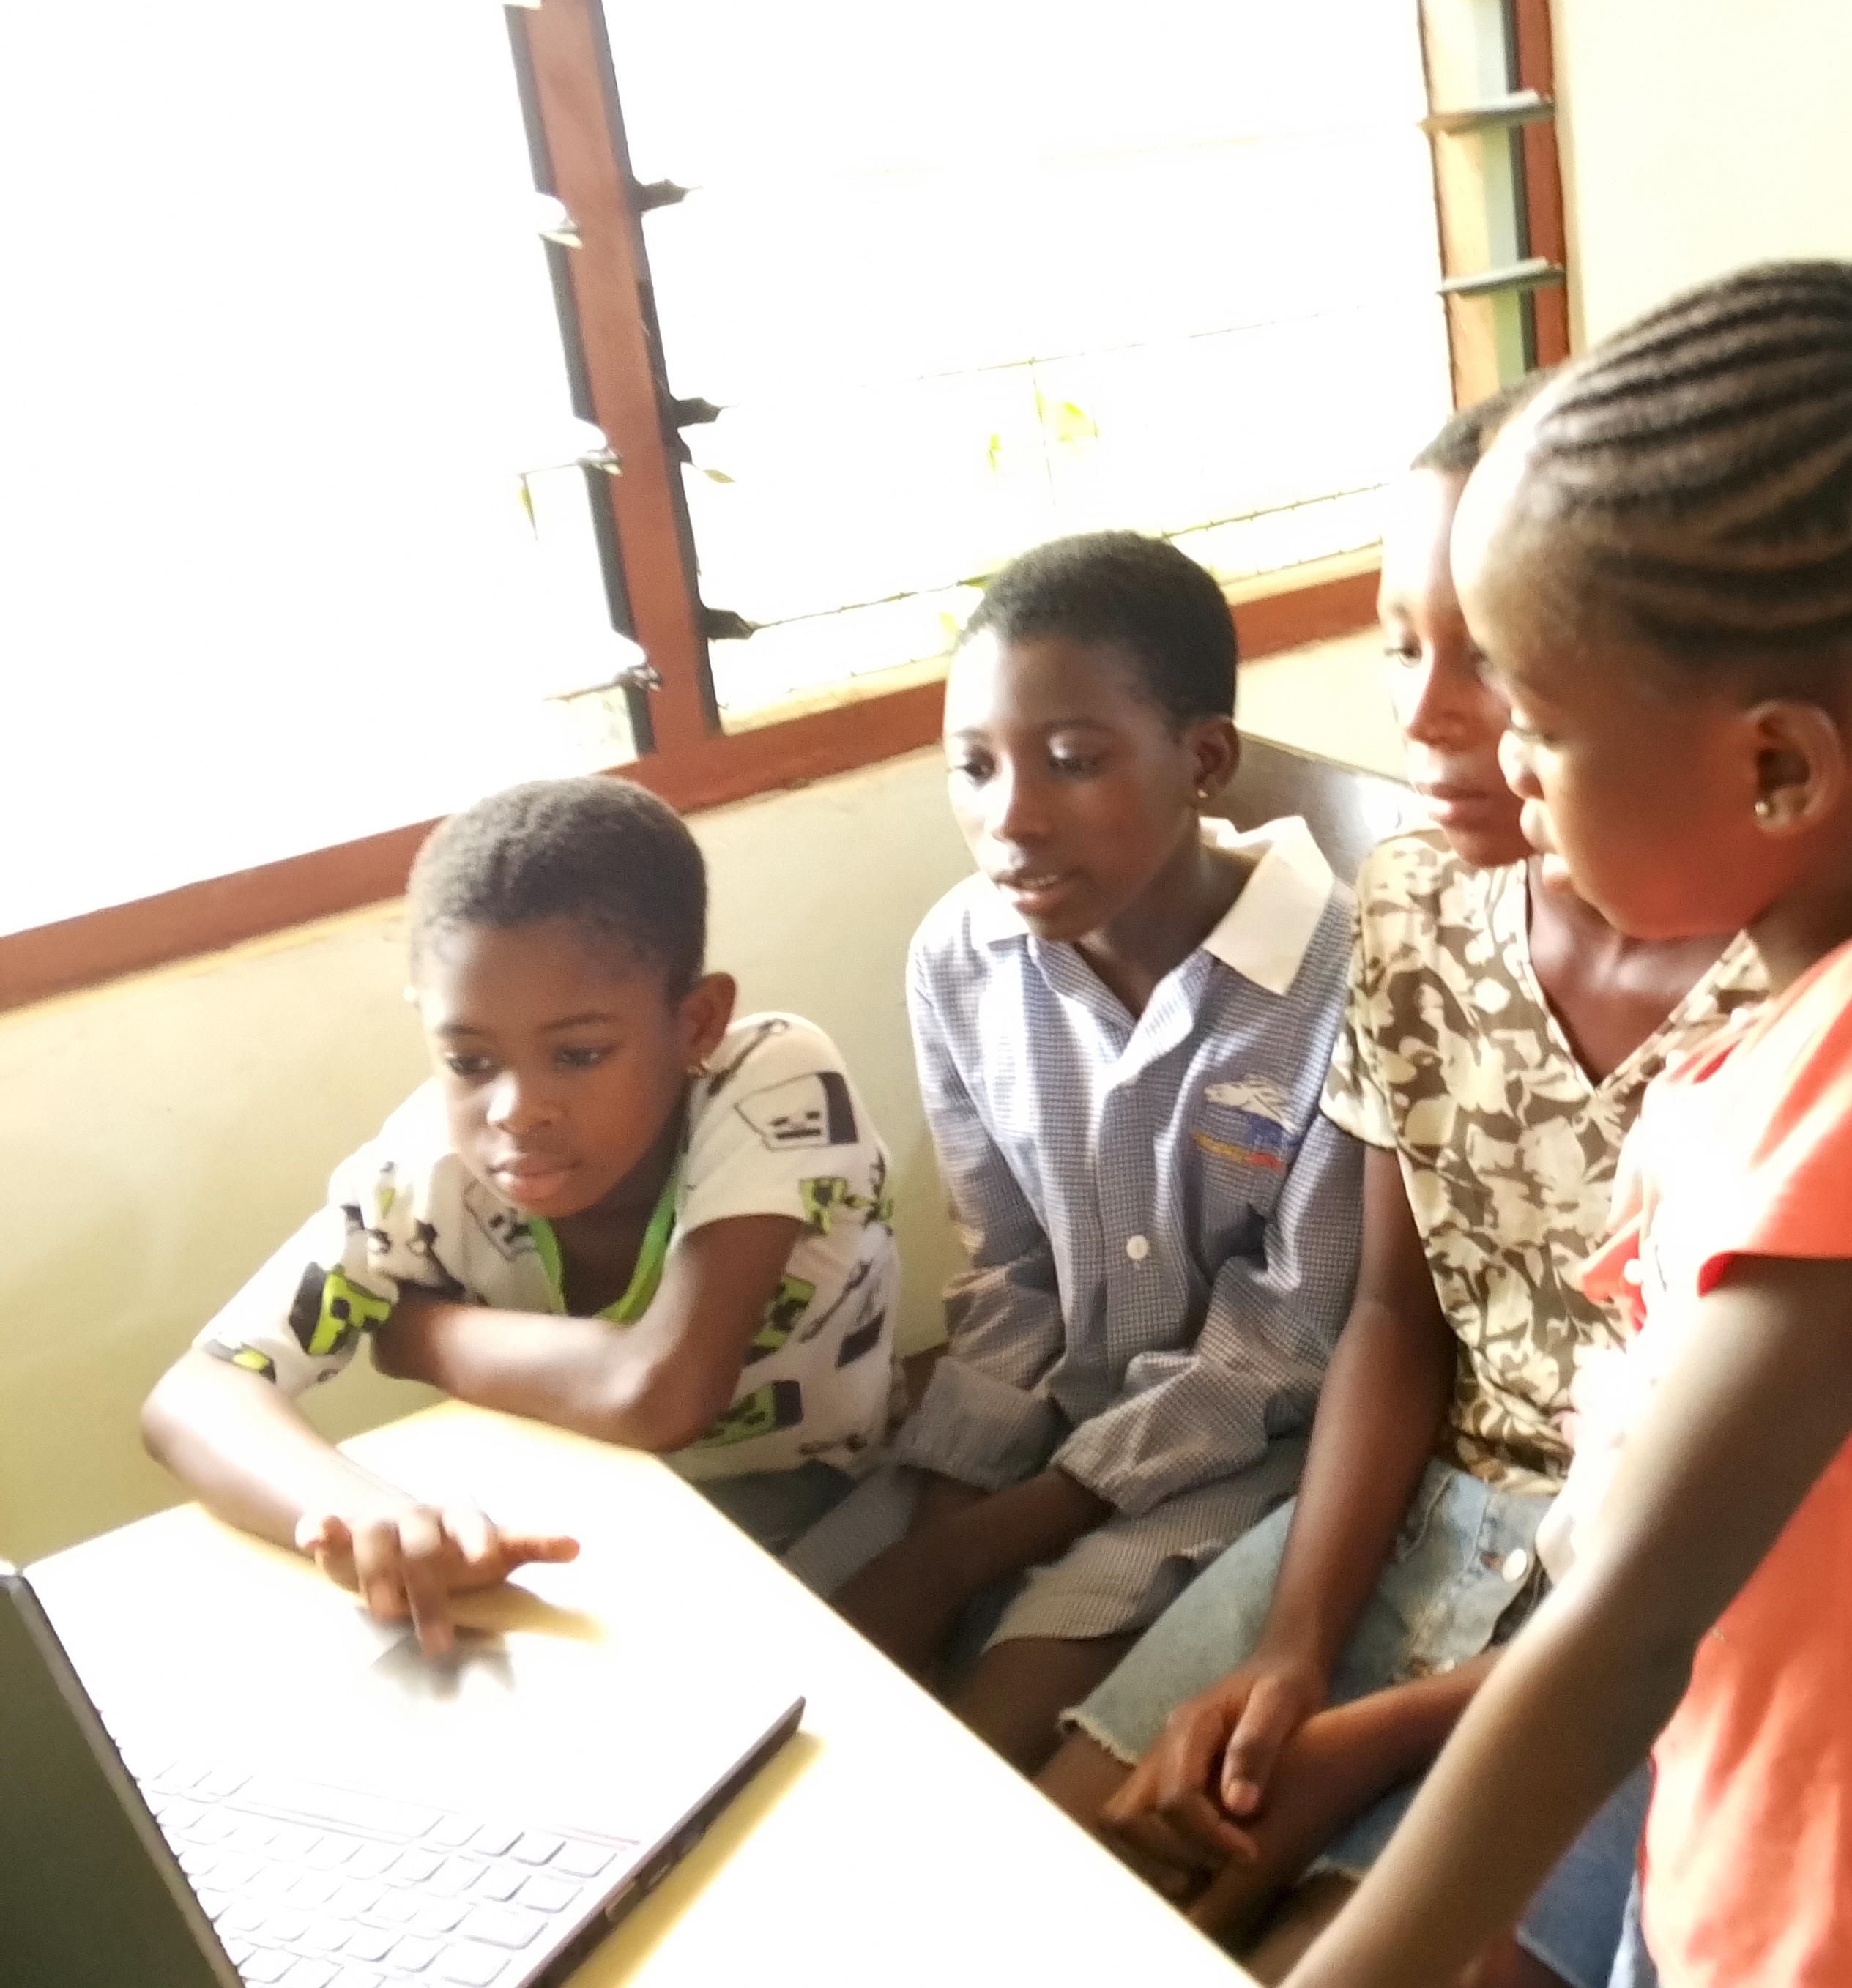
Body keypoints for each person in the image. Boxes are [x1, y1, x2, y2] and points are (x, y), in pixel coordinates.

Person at [1285, 245, 1852, 1988]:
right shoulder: (1793, 1034)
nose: (1509, 767)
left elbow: (1629, 1621)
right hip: (1764, 1835)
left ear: (1775, 766)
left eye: (1540, 722)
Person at [1033, 390, 1763, 1987]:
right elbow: (1391, 1315)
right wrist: (1298, 1651)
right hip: (1418, 1515)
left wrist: (1371, 1741)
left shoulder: (1804, 993)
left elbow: (1751, 1549)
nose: (1425, 713)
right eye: (1396, 640)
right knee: (1071, 1889)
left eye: (1488, 655)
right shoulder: (1418, 904)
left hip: (1677, 1615)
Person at [798, 531, 1364, 1771]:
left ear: (1202, 760)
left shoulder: (1344, 978)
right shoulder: (962, 957)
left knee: (985, 1760)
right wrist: (940, 1537)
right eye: (973, 765)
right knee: (807, 1694)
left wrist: (964, 1558)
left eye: (1073, 760)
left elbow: (1279, 1354)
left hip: (1240, 1463)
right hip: (1028, 1438)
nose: (1010, 817)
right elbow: (1007, 1275)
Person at [141, 776, 902, 1658]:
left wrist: (417, 1335)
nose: (516, 1111)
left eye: (579, 1053)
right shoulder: (423, 1170)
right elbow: (194, 1397)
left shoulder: (771, 1081)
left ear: (696, 1024)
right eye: (468, 1061)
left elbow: (656, 1393)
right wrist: (368, 1514)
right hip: (572, 1544)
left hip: (820, 1522)